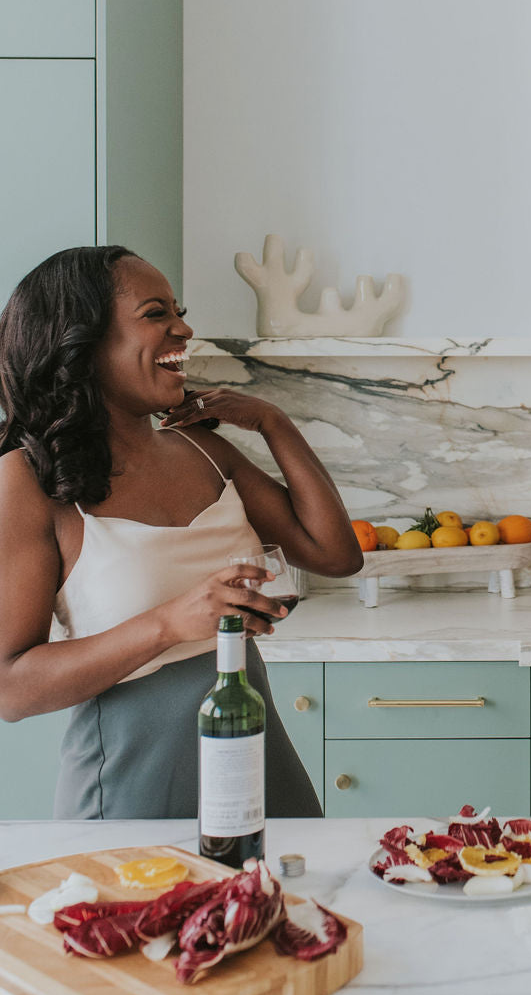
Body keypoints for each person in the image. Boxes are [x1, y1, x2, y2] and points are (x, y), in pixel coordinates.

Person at [0, 246, 364, 819]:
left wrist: (273, 421)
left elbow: (335, 554)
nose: (184, 328)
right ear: (83, 343)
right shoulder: (25, 481)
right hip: (131, 781)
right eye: (155, 313)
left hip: (254, 752)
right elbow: (10, 687)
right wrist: (171, 622)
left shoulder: (204, 447)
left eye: (179, 310)